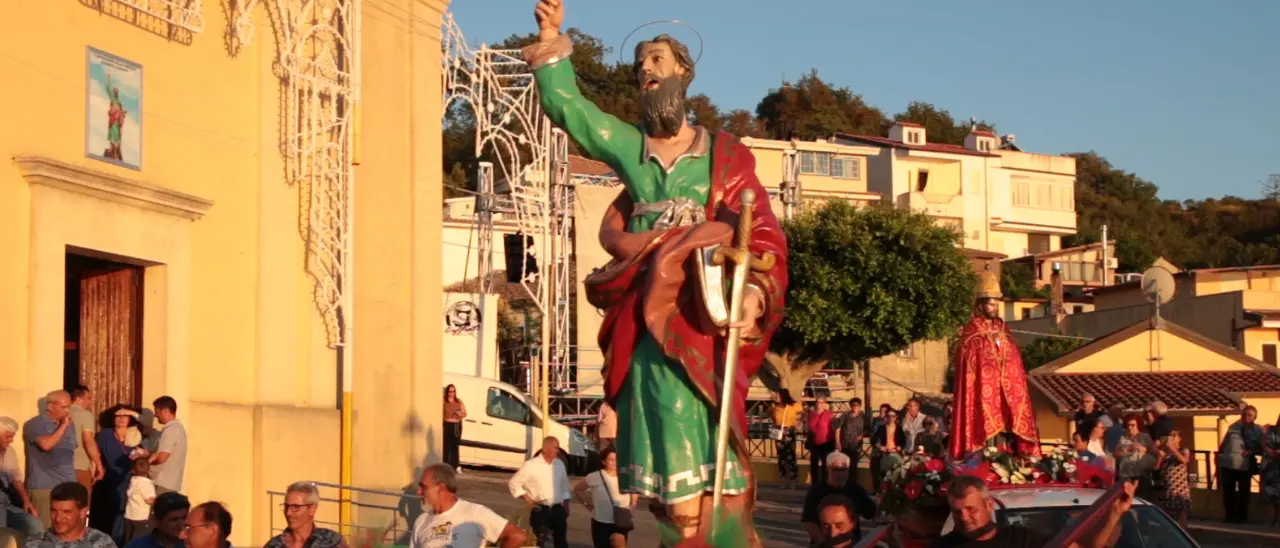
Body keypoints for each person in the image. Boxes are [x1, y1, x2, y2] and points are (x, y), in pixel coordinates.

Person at [528, 0, 789, 542]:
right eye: (640, 65)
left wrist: (754, 295)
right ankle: (681, 522)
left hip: (704, 304)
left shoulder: (724, 154)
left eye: (656, 60)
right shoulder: (632, 147)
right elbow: (572, 109)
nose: (646, 71)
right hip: (650, 304)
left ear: (683, 74)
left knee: (702, 404)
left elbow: (761, 229)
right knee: (657, 400)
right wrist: (554, 39)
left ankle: (715, 525)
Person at [948, 265, 1040, 459]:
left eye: (997, 304)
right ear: (981, 304)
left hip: (1006, 394)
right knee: (987, 441)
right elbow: (970, 364)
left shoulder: (1003, 330)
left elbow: (1014, 360)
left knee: (1007, 439)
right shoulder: (971, 333)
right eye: (991, 304)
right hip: (983, 395)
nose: (995, 308)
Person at [929, 475, 1135, 548]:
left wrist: (1115, 513)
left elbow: (1083, 546)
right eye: (957, 512)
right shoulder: (942, 546)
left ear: (989, 504)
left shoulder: (1022, 540)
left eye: (971, 509)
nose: (964, 518)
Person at [412, 464, 525, 548]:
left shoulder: (475, 513)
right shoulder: (421, 521)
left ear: (441, 488)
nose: (419, 492)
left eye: (424, 487)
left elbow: (516, 536)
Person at [91, 406, 150, 544]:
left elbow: (150, 427)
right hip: (110, 480)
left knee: (127, 516)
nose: (122, 418)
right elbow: (96, 455)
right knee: (113, 515)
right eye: (118, 416)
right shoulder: (105, 435)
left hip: (132, 481)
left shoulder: (137, 435)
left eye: (125, 416)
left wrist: (143, 455)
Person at [23, 391, 78, 530]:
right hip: (44, 487)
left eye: (69, 407)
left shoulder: (70, 425)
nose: (67, 411)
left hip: (67, 486)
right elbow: (46, 445)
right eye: (64, 407)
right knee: (44, 531)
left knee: (65, 530)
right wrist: (63, 426)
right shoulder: (35, 424)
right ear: (50, 406)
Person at [508, 437, 571, 548]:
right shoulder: (531, 465)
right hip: (540, 508)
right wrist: (527, 497)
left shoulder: (559, 464)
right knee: (539, 541)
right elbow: (514, 483)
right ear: (545, 449)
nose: (558, 451)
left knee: (561, 541)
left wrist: (566, 505)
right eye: (555, 448)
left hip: (557, 508)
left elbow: (564, 486)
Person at [801, 453, 875, 544]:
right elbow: (809, 522)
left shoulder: (856, 490)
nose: (840, 473)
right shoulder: (816, 492)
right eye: (836, 469)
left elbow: (871, 513)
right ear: (828, 469)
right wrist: (825, 544)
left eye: (843, 469)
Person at [573, 447, 635, 548]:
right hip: (601, 522)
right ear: (603, 461)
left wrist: (633, 505)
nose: (614, 462)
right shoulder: (595, 476)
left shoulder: (626, 476)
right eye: (610, 459)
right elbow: (578, 489)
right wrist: (586, 504)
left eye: (616, 459)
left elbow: (634, 492)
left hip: (620, 521)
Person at [21, 482, 114, 548]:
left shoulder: (101, 543)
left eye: (66, 512)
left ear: (82, 512)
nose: (58, 518)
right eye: (54, 511)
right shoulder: (35, 543)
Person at [264, 482, 347, 548]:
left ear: (312, 509)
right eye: (286, 506)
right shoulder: (273, 545)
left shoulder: (332, 541)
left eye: (296, 507)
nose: (288, 513)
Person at [1219, 405, 1264, 524]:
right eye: (1244, 414)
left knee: (1244, 492)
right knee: (1228, 492)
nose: (1246, 416)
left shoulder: (1258, 431)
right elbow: (1224, 443)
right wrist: (1219, 457)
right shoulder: (1233, 427)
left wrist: (1252, 451)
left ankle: (1241, 517)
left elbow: (1262, 447)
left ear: (1255, 417)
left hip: (1244, 465)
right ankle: (1229, 516)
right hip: (1228, 463)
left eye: (1250, 415)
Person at [1, 416, 42, 537]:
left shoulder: (10, 452)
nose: (11, 440)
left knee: (35, 525)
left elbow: (16, 478)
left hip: (7, 503)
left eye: (12, 436)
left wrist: (26, 501)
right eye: (8, 436)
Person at [67, 387, 104, 497]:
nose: (90, 402)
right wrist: (99, 465)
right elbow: (88, 440)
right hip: (80, 466)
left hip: (61, 467)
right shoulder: (85, 414)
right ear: (78, 399)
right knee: (82, 504)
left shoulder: (63, 413)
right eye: (88, 398)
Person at [123, 492, 189, 548]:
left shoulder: (191, 545)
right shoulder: (138, 546)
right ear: (156, 521)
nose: (181, 524)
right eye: (174, 519)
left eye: (184, 518)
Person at [148, 396, 186, 495]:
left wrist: (145, 460)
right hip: (170, 483)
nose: (156, 416)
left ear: (165, 411)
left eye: (157, 411)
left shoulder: (171, 430)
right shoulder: (178, 428)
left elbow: (161, 458)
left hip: (162, 483)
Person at [1154, 430, 1191, 529]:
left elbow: (1184, 460)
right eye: (1170, 436)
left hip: (1180, 491)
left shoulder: (1183, 450)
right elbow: (1156, 468)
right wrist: (1160, 457)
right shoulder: (1165, 454)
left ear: (1179, 438)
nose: (1172, 438)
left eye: (1175, 436)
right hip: (1167, 490)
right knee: (1167, 519)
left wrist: (1173, 449)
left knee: (1181, 517)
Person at [770, 392, 802, 490]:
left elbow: (804, 411)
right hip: (778, 432)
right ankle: (783, 480)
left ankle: (793, 480)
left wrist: (798, 422)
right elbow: (772, 418)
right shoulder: (773, 407)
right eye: (776, 396)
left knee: (790, 456)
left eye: (778, 395)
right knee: (781, 457)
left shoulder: (793, 406)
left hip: (789, 431)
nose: (776, 397)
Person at [123, 459, 156, 542]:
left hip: (129, 515)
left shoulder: (133, 480)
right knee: (139, 541)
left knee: (128, 540)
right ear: (149, 470)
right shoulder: (146, 484)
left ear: (133, 471)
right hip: (141, 518)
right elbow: (149, 500)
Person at [871, 409, 906, 482]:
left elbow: (903, 442)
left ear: (896, 417)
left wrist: (899, 447)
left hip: (896, 453)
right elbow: (874, 440)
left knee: (897, 475)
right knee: (884, 476)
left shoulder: (899, 428)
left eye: (893, 416)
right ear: (886, 417)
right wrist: (880, 447)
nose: (891, 418)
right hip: (885, 454)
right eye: (889, 416)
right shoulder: (881, 428)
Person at [807, 398, 835, 486]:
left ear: (824, 404)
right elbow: (808, 427)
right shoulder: (811, 414)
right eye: (817, 402)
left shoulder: (830, 415)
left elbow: (834, 428)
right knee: (813, 464)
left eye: (821, 402)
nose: (818, 404)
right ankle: (814, 485)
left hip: (826, 442)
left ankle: (825, 484)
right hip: (814, 442)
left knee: (825, 465)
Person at [834, 398, 866, 466]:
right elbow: (838, 428)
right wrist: (837, 442)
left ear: (860, 406)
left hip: (856, 446)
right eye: (852, 405)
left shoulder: (863, 417)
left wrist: (862, 435)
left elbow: (867, 429)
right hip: (845, 445)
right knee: (844, 466)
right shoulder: (845, 415)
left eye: (856, 405)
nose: (854, 406)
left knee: (853, 467)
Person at [442, 385, 466, 474]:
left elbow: (464, 413)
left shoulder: (458, 401)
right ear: (447, 392)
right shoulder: (444, 401)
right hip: (447, 424)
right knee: (446, 446)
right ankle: (445, 465)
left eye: (453, 391)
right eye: (450, 391)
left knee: (455, 446)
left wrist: (458, 413)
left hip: (456, 425)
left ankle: (456, 465)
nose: (452, 393)